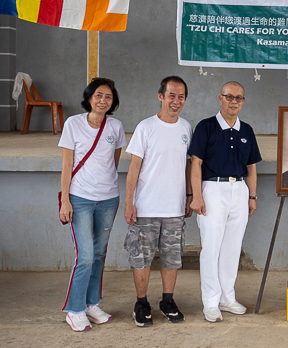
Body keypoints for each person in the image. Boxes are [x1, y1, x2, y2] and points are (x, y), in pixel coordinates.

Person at [189, 81, 262, 322]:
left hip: (239, 190)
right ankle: (210, 302)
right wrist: (196, 196)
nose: (234, 101)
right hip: (212, 189)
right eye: (229, 96)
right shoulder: (206, 127)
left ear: (243, 101)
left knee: (232, 247)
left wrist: (252, 196)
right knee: (211, 247)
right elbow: (196, 163)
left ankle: (227, 298)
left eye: (239, 98)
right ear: (220, 98)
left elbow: (251, 167)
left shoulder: (246, 130)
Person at [124, 76, 193, 327]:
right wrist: (129, 202)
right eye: (171, 95)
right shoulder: (146, 127)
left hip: (174, 208)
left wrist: (189, 195)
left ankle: (167, 300)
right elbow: (134, 168)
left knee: (172, 257)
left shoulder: (186, 128)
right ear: (160, 96)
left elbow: (187, 166)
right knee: (141, 257)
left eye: (181, 96)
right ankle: (141, 303)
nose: (176, 101)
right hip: (146, 207)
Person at [58, 77, 127, 332]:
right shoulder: (73, 124)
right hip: (80, 198)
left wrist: (104, 186)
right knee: (85, 256)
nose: (103, 100)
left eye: (108, 97)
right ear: (89, 98)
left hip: (109, 199)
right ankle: (74, 309)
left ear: (113, 101)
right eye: (98, 95)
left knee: (99, 254)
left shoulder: (116, 126)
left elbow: (113, 161)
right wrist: (65, 200)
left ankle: (91, 303)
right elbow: (67, 165)